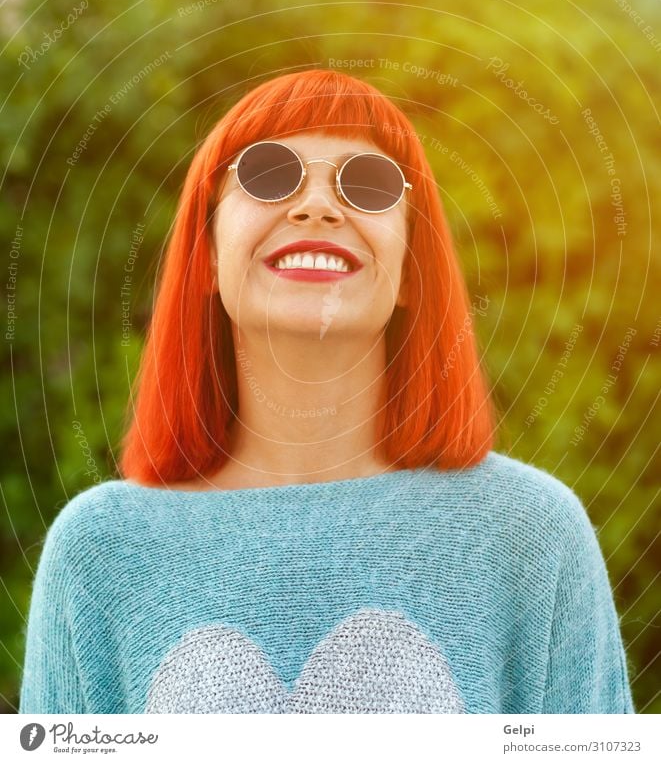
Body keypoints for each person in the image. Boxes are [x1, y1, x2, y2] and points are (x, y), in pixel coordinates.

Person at [19, 69, 634, 714]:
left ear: (408, 271)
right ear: (205, 254)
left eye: (366, 185)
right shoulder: (100, 550)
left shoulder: (529, 534)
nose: (316, 206)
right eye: (266, 175)